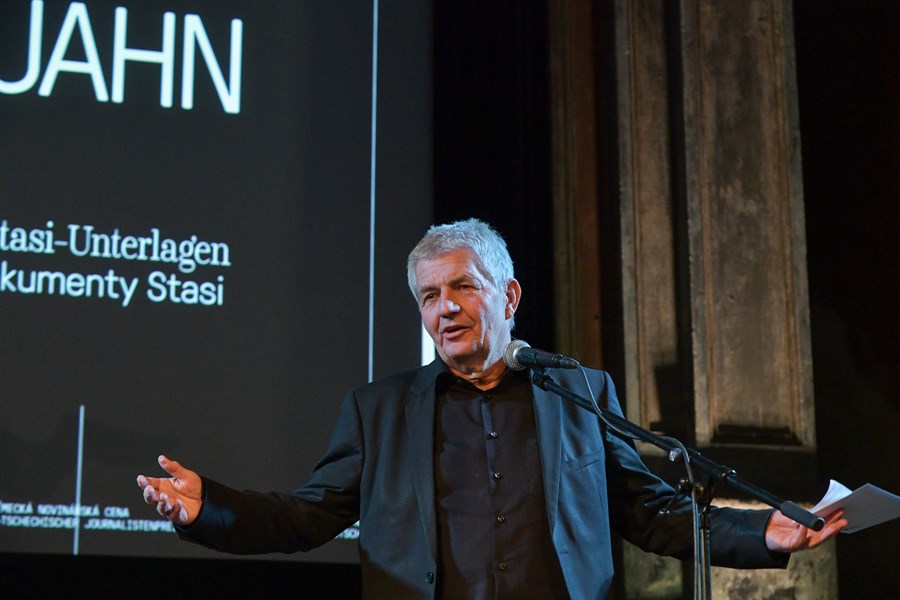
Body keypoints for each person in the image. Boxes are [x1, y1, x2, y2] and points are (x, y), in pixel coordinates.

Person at [137, 218, 845, 599]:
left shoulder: (579, 392)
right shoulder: (379, 412)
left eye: (462, 287)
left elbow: (648, 511)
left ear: (507, 296)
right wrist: (209, 509)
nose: (444, 308)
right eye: (429, 296)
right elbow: (306, 516)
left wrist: (764, 533)